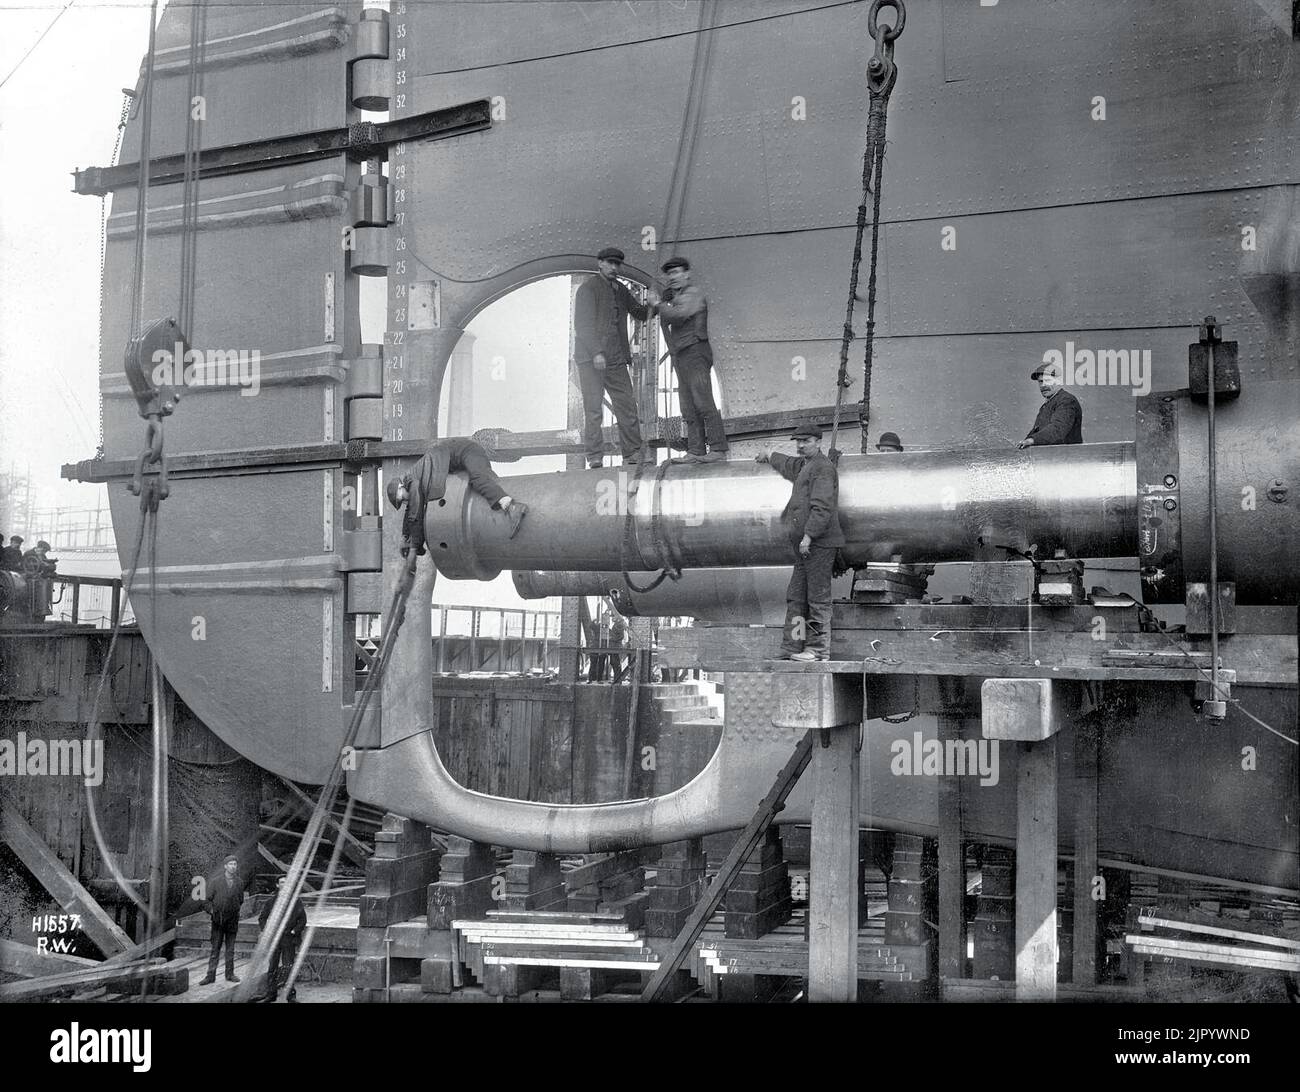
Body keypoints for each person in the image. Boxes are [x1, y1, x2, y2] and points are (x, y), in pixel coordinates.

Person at [756, 425, 845, 662]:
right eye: (798, 441)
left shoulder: (823, 468)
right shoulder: (806, 465)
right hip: (805, 547)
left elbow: (822, 508)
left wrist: (809, 536)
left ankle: (817, 650)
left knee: (817, 598)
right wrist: (770, 455)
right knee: (796, 597)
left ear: (818, 441)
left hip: (819, 544)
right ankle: (793, 646)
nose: (800, 445)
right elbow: (789, 465)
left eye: (805, 441)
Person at [386, 438, 528, 561]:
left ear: (401, 487)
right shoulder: (413, 479)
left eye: (402, 498)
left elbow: (415, 512)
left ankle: (511, 507)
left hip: (467, 451)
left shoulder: (413, 481)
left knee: (478, 479)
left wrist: (414, 546)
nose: (405, 500)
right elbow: (410, 511)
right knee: (476, 480)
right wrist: (405, 537)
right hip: (459, 457)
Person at [573, 247, 648, 469]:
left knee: (626, 405)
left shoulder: (620, 290)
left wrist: (654, 304)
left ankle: (632, 454)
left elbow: (639, 312)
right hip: (590, 359)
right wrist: (596, 352)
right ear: (600, 263)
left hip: (615, 359)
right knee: (594, 409)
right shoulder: (587, 289)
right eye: (610, 263)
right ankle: (595, 456)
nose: (615, 268)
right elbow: (583, 326)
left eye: (617, 264)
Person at [648, 257, 728, 463]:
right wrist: (664, 302)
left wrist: (659, 303)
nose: (673, 277)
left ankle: (718, 449)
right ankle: (696, 450)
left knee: (703, 401)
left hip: (695, 351)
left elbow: (679, 315)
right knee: (688, 406)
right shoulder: (676, 298)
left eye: (676, 272)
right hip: (681, 353)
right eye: (670, 274)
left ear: (687, 274)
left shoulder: (693, 294)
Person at [258, 876, 307, 1003]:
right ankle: (271, 994)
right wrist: (266, 930)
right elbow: (262, 918)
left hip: (288, 938)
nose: (284, 884)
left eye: (287, 882)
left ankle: (290, 995)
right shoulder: (270, 902)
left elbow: (302, 920)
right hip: (274, 938)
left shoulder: (296, 901)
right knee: (272, 966)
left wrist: (293, 931)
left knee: (288, 966)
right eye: (281, 882)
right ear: (277, 885)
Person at [200, 854, 246, 985]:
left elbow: (240, 900)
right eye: (230, 864)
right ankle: (210, 976)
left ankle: (230, 974)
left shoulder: (239, 882)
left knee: (230, 949)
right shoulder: (215, 881)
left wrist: (233, 910)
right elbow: (206, 901)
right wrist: (213, 911)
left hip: (232, 921)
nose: (233, 867)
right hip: (218, 921)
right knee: (215, 949)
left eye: (235, 864)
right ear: (225, 866)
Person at [1017, 363, 1082, 448]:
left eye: (1047, 380)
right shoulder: (1047, 404)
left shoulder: (1067, 400)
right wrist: (1025, 442)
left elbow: (1058, 429)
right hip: (1052, 456)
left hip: (1067, 457)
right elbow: (1036, 432)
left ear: (1058, 381)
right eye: (1040, 381)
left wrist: (1032, 440)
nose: (1043, 385)